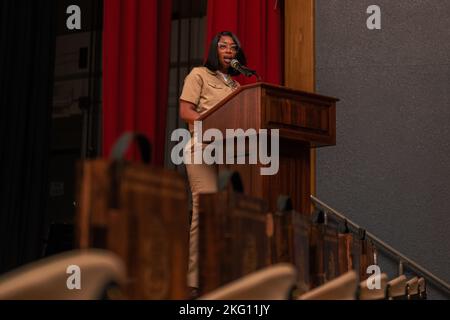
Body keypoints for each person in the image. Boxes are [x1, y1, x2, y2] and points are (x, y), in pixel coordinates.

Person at [179, 31, 247, 292]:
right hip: (203, 148)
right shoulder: (199, 74)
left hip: (231, 151)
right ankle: (195, 282)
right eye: (223, 46)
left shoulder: (237, 87)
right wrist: (214, 122)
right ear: (213, 50)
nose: (229, 50)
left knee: (229, 212)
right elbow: (186, 111)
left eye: (233, 47)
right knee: (205, 210)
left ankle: (223, 276)